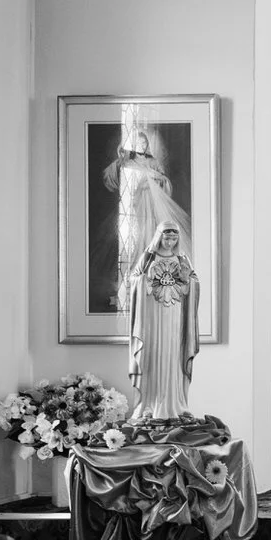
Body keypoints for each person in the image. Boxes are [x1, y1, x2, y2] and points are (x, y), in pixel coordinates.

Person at [103, 127, 191, 311]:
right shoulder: (127, 160)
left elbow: (165, 183)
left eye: (144, 142)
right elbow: (112, 178)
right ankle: (130, 284)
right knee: (134, 242)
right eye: (138, 142)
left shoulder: (153, 162)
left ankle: (152, 282)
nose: (142, 145)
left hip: (151, 207)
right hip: (134, 208)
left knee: (151, 239)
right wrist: (123, 164)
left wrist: (156, 177)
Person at [126, 222, 198, 421]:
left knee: (172, 354)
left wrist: (187, 280)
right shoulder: (149, 257)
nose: (170, 242)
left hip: (175, 314)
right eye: (166, 238)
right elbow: (133, 279)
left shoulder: (182, 258)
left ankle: (175, 405)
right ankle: (149, 404)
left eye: (174, 238)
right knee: (154, 353)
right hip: (152, 316)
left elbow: (193, 281)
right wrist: (144, 281)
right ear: (159, 237)